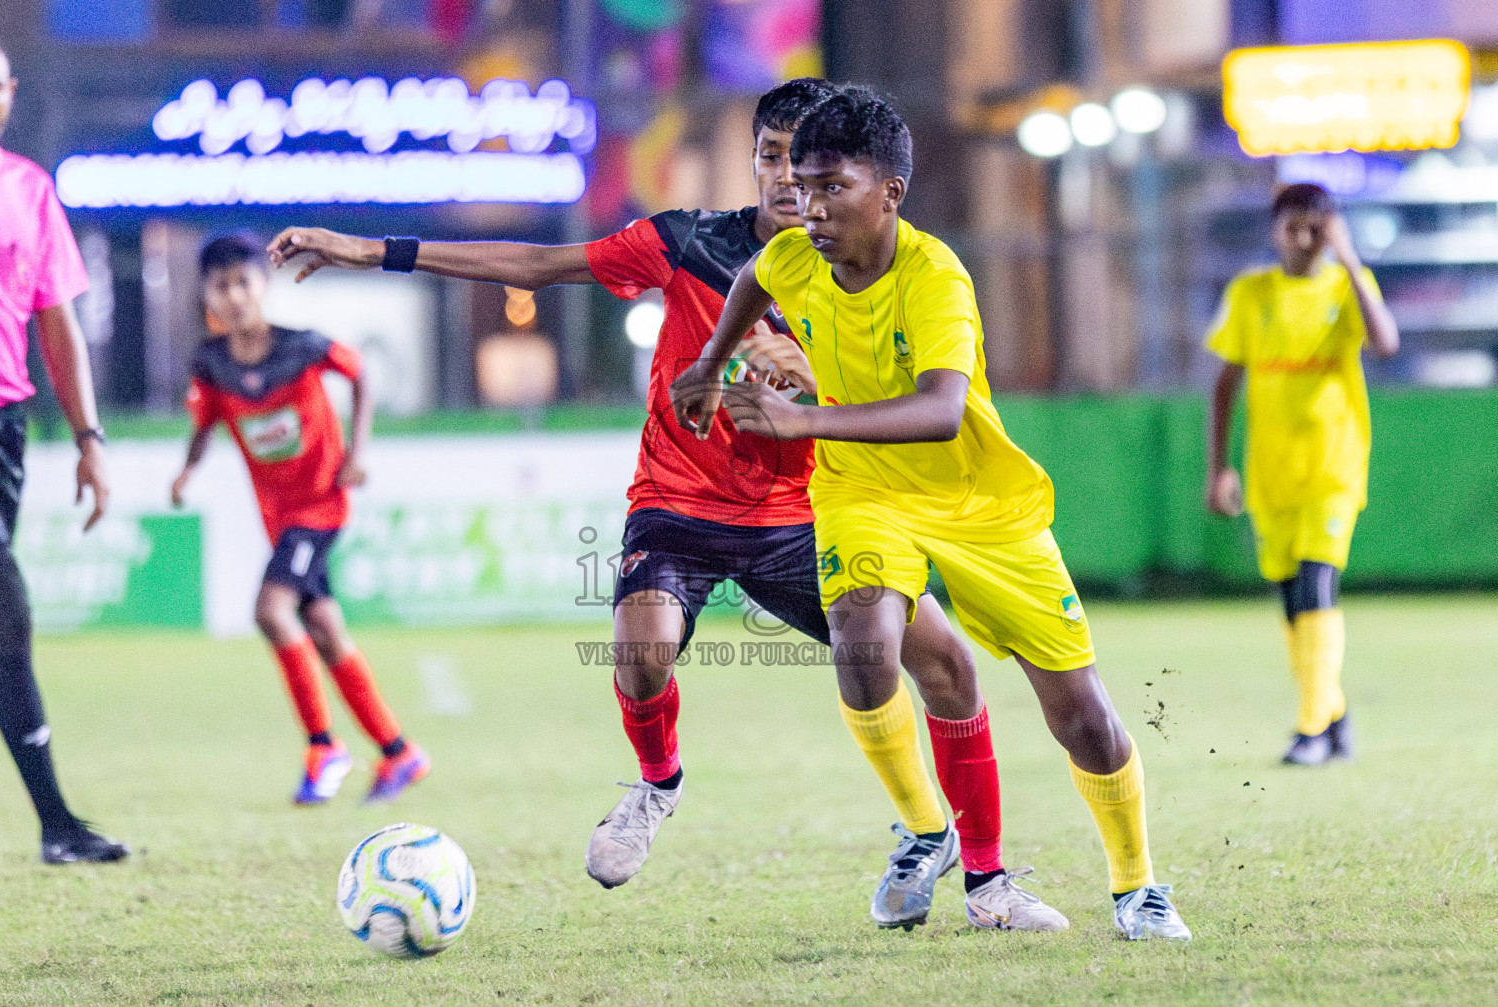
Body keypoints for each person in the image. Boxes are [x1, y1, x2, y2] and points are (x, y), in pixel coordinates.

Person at [269, 78, 1065, 931]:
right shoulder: (687, 244)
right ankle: (656, 787)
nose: (789, 182)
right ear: (757, 163)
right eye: (772, 158)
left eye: (808, 167)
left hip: (808, 507)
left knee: (939, 664)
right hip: (678, 502)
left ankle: (975, 870)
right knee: (640, 649)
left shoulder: (879, 275)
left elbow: (920, 401)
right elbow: (541, 265)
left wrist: (808, 383)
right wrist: (367, 250)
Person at [672, 86, 1191, 940]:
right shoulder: (794, 259)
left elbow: (941, 410)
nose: (809, 207)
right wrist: (709, 362)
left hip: (979, 502)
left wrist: (803, 419)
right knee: (861, 637)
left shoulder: (934, 275)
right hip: (861, 491)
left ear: (890, 193)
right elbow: (748, 280)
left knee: (1080, 714)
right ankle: (925, 830)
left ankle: (1137, 886)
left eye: (832, 186)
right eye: (801, 185)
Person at [171, 232, 429, 804]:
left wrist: (356, 453)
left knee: (270, 610)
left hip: (320, 506)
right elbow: (204, 424)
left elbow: (362, 373)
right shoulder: (210, 365)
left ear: (263, 286)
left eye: (244, 282)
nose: (234, 295)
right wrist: (187, 472)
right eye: (221, 286)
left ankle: (323, 745)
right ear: (207, 296)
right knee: (326, 631)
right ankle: (398, 752)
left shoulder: (304, 346)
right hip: (279, 518)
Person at [0, 33, 127, 863]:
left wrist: (90, 439)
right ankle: (58, 826)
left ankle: (59, 826)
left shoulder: (30, 191)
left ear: (10, 92)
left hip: (2, 429)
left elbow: (57, 322)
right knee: (6, 606)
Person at [1205, 182, 1399, 766]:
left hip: (1333, 467)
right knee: (1294, 601)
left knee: (1318, 585)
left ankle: (1310, 728)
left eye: (1318, 227)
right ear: (1275, 230)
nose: (1306, 238)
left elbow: (1386, 343)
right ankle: (1334, 714)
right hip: (1272, 471)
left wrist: (1353, 259)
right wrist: (1219, 467)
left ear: (1333, 230)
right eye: (1295, 226)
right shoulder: (1250, 292)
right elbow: (1224, 384)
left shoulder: (1347, 287)